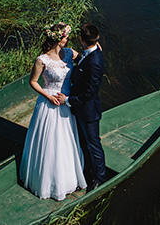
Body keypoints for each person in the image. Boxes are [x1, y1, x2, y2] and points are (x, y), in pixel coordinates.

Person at [19, 22, 86, 200]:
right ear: (57, 39)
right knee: (51, 141)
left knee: (67, 140)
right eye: (65, 36)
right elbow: (33, 82)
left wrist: (97, 50)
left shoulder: (69, 53)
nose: (68, 39)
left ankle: (69, 177)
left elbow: (86, 60)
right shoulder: (42, 60)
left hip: (67, 101)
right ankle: (50, 183)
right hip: (50, 102)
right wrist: (48, 96)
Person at [66, 23, 107, 192]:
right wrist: (77, 58)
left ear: (82, 40)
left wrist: (69, 100)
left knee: (94, 145)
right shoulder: (90, 53)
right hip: (81, 109)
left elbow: (90, 93)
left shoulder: (95, 61)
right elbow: (84, 63)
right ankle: (87, 171)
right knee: (84, 143)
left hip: (89, 111)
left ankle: (100, 178)